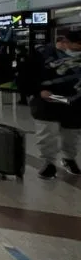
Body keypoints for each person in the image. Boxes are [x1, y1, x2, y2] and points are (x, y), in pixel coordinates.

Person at [23, 32, 81, 179]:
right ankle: (48, 163)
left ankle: (69, 158)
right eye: (77, 47)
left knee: (71, 135)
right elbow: (25, 76)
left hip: (74, 102)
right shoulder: (42, 55)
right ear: (65, 42)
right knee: (47, 133)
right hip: (47, 102)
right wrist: (38, 91)